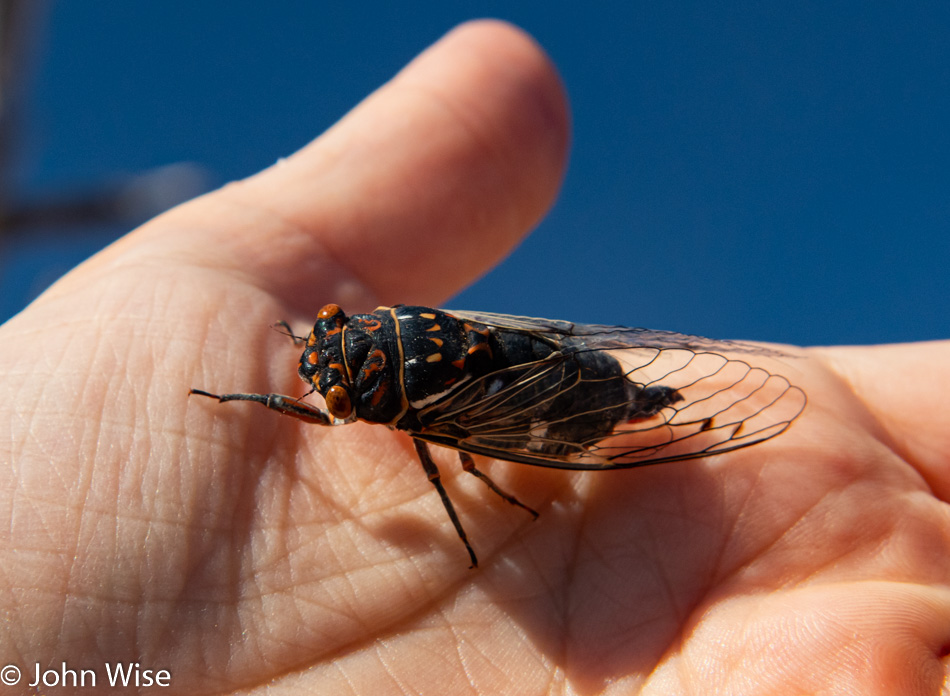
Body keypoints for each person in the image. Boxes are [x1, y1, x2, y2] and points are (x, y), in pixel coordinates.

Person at [1, 20, 947, 695]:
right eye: (337, 360)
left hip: (560, 405)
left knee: (495, 432)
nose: (327, 363)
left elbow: (451, 462)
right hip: (522, 363)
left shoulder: (418, 419)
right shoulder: (382, 350)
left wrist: (476, 504)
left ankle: (640, 401)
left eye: (341, 355)